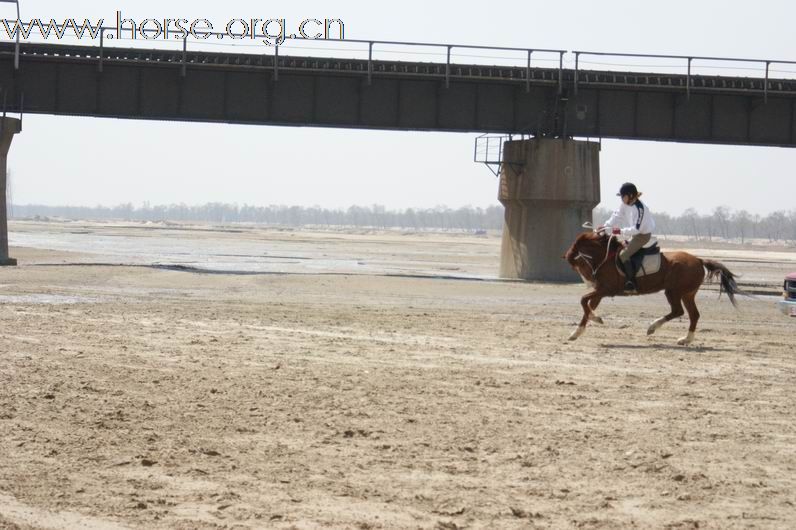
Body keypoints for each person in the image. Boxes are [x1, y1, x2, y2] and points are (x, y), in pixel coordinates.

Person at [603, 182, 657, 292]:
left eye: (623, 196)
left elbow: (636, 229)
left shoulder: (640, 208)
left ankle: (631, 283)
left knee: (623, 255)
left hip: (643, 236)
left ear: (630, 196)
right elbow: (617, 215)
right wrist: (605, 226)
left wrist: (617, 231)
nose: (622, 199)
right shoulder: (625, 204)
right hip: (635, 234)